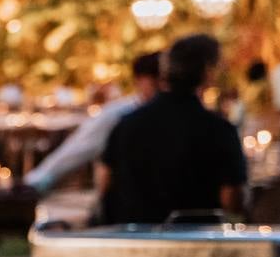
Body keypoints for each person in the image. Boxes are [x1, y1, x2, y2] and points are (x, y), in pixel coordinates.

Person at [98, 35, 247, 224]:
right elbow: (231, 199)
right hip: (194, 240)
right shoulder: (219, 130)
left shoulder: (127, 124)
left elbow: (104, 181)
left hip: (132, 236)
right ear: (208, 73)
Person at [25, 52, 161, 193]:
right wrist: (36, 182)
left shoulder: (122, 113)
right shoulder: (119, 113)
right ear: (139, 81)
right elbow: (77, 150)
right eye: (155, 83)